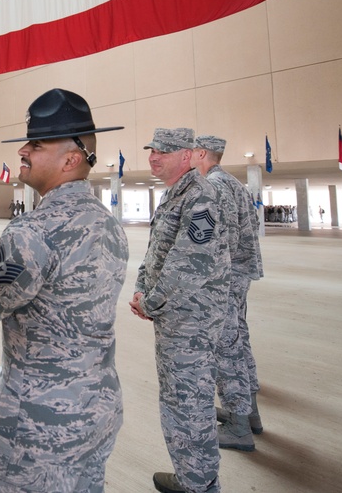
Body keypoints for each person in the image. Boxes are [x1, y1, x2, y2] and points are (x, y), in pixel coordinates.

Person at [0, 88, 128, 492]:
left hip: (38, 426)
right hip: (99, 408)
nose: (23, 151)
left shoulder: (33, 232)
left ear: (71, 159)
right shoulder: (108, 223)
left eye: (35, 144)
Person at [129, 128, 228, 493]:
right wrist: (142, 287)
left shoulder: (201, 196)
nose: (154, 157)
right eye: (152, 150)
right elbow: (158, 251)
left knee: (188, 403)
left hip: (191, 319)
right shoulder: (175, 194)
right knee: (178, 398)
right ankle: (192, 476)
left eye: (164, 152)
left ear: (188, 156)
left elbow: (191, 261)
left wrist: (152, 303)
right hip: (176, 314)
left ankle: (199, 484)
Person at [191, 135, 264, 451]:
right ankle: (249, 416)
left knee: (226, 349)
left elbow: (216, 240)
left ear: (202, 153)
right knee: (239, 341)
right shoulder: (233, 184)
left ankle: (238, 426)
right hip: (238, 277)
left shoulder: (214, 187)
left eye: (191, 152)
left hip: (223, 280)